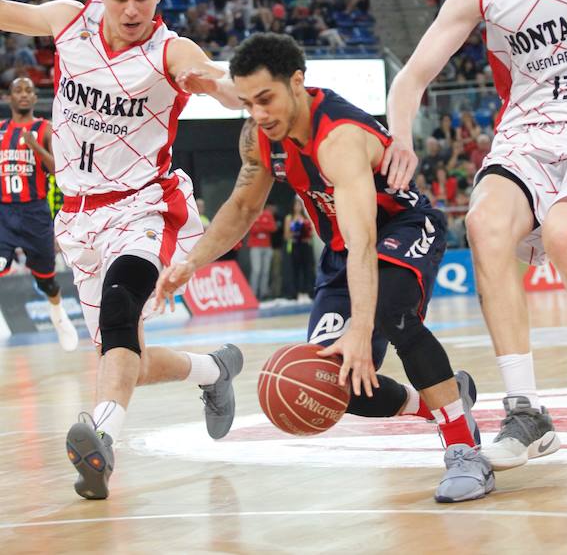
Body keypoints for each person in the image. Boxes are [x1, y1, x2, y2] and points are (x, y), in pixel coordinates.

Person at [155, 33, 495, 504]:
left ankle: (465, 450)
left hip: (400, 227)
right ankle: (444, 400)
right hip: (342, 250)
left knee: (390, 312)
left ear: (297, 82)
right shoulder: (260, 135)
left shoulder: (339, 138)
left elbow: (364, 242)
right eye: (249, 103)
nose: (259, 113)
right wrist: (189, 262)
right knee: (333, 382)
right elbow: (242, 208)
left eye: (266, 99)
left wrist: (360, 327)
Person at [384, 0, 567, 474]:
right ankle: (526, 411)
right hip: (526, 135)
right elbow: (411, 77)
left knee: (566, 235)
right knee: (482, 223)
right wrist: (400, 135)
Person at [0, 0, 244, 500]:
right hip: (78, 217)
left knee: (120, 305)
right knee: (124, 354)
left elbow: (214, 78)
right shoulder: (68, 22)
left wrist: (228, 88)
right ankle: (213, 370)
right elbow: (8, 12)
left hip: (144, 205)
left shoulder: (169, 49)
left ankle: (102, 440)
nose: (131, 10)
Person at [0, 76, 78, 352]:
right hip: (4, 211)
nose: (23, 94)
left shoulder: (45, 128)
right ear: (8, 97)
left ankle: (57, 313)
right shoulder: (1, 130)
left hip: (35, 213)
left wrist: (34, 146)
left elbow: (58, 169)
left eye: (28, 90)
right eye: (18, 90)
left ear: (35, 98)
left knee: (46, 280)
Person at [283, 196, 314, 302]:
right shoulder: (289, 218)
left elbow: (311, 233)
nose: (297, 207)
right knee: (295, 269)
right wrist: (296, 232)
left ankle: (308, 291)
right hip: (295, 245)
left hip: (305, 246)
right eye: (296, 205)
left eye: (299, 205)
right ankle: (294, 292)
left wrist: (306, 234)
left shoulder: (305, 218)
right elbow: (286, 235)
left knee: (307, 269)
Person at [247, 205, 277, 299]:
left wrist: (259, 225)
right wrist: (264, 226)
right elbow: (251, 229)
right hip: (255, 246)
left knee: (265, 271)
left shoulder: (268, 214)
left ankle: (263, 293)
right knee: (256, 270)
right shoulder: (252, 214)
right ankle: (253, 293)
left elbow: (273, 227)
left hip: (267, 246)